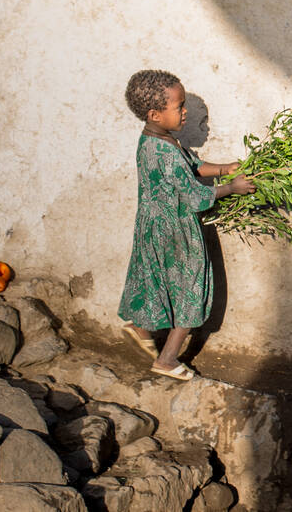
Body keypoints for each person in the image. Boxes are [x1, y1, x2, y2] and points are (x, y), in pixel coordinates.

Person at [119, 70, 255, 380]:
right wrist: (231, 188)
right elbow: (194, 196)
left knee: (155, 280)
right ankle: (167, 359)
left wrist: (224, 168)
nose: (185, 112)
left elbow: (191, 166)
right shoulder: (167, 151)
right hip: (177, 232)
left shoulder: (155, 141)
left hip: (153, 228)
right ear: (155, 114)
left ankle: (140, 328)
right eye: (180, 106)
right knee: (190, 290)